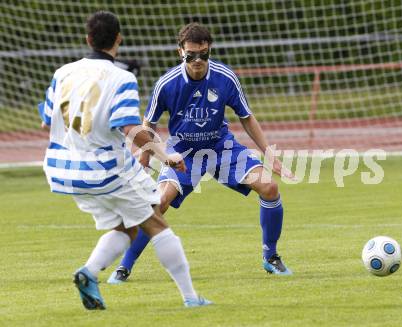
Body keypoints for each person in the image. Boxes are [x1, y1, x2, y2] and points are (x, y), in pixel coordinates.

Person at [40, 11, 211, 309]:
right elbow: (131, 129)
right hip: (105, 170)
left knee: (126, 227)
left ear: (88, 39)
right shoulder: (121, 77)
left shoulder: (62, 73)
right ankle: (191, 297)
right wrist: (166, 155)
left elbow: (46, 122)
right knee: (157, 222)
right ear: (119, 38)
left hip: (61, 171)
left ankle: (89, 273)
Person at [108, 22, 294, 284]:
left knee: (270, 188)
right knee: (158, 204)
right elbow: (147, 124)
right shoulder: (167, 84)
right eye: (191, 55)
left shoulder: (225, 78)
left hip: (220, 147)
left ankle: (271, 256)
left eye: (203, 55)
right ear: (180, 52)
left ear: (210, 51)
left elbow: (247, 117)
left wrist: (269, 153)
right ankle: (124, 267)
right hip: (182, 152)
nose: (197, 61)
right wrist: (145, 156)